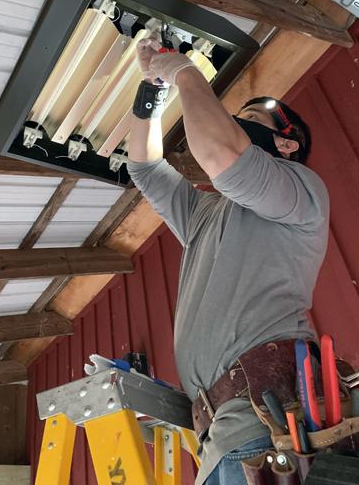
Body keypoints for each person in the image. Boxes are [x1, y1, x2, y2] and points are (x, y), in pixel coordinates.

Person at [126, 37, 330, 485]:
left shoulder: (302, 191)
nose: (237, 123)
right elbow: (143, 166)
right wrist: (152, 90)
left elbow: (221, 153)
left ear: (288, 144)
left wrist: (183, 71)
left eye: (251, 120)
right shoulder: (206, 213)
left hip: (266, 426)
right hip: (224, 438)